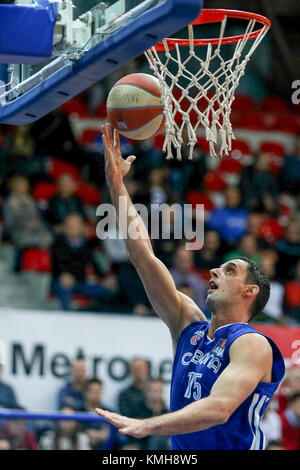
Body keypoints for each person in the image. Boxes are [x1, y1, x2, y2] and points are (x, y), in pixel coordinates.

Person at [95, 124, 285, 451]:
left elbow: (219, 408)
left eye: (229, 270)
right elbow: (143, 255)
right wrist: (117, 186)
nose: (214, 270)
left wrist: (147, 425)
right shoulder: (188, 324)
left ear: (249, 292)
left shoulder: (252, 344)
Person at [50, 213, 115, 310]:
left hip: (81, 282)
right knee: (65, 290)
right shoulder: (56, 244)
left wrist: (104, 278)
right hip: (61, 282)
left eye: (76, 226)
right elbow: (56, 265)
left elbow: (94, 264)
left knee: (108, 292)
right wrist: (63, 275)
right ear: (65, 228)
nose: (73, 229)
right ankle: (66, 320)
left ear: (82, 228)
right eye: (70, 226)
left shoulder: (86, 245)